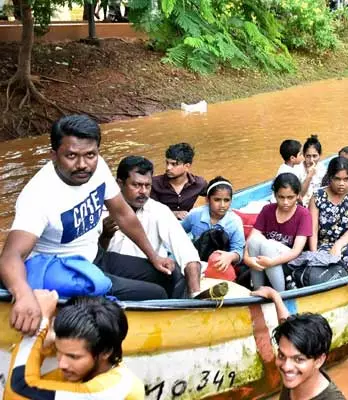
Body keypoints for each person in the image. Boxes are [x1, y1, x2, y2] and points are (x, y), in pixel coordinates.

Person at [0, 115, 175, 334]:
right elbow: (11, 255)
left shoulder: (97, 167)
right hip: (70, 272)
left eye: (90, 155)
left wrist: (154, 256)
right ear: (53, 155)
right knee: (156, 294)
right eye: (71, 156)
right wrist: (24, 295)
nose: (82, 165)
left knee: (170, 275)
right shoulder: (38, 196)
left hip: (96, 256)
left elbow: (123, 215)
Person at [6, 290, 144, 399]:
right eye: (58, 351)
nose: (62, 365)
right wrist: (43, 347)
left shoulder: (113, 389)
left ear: (106, 352)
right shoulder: (80, 373)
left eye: (73, 357)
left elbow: (18, 390)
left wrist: (40, 327)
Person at [98, 156, 202, 297]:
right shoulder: (99, 212)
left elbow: (187, 252)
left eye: (147, 186)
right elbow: (94, 258)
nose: (143, 191)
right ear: (119, 184)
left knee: (175, 274)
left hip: (150, 276)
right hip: (113, 278)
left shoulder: (159, 211)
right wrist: (106, 236)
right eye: (136, 185)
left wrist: (196, 294)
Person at [251, 287, 346, 399]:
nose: (286, 367)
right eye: (281, 355)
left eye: (299, 359)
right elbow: (286, 324)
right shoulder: (297, 375)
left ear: (319, 360)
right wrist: (275, 297)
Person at [244, 173, 312, 291]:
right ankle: (257, 289)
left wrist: (271, 262)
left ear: (297, 196)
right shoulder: (267, 210)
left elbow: (296, 251)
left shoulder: (303, 214)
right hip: (267, 256)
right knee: (254, 241)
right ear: (275, 195)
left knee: (268, 244)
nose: (285, 202)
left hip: (290, 260)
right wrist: (247, 259)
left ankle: (281, 293)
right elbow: (252, 238)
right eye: (281, 197)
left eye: (290, 197)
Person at [309, 157, 348, 274]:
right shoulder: (317, 196)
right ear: (330, 178)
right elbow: (313, 229)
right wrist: (314, 253)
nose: (342, 184)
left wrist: (338, 245)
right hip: (325, 243)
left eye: (346, 179)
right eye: (337, 179)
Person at [181, 177, 245, 279]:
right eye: (217, 200)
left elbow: (238, 251)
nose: (222, 205)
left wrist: (230, 256)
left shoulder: (235, 222)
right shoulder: (195, 215)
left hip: (221, 263)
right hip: (196, 260)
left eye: (227, 200)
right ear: (207, 199)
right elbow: (179, 233)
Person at [150, 142, 207, 220]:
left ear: (187, 166)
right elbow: (148, 210)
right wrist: (173, 213)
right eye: (167, 163)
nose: (168, 168)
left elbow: (217, 193)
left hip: (186, 225)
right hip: (161, 224)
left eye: (174, 164)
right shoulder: (154, 183)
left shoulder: (199, 183)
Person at [299, 135, 327, 207]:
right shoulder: (298, 170)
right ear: (304, 155)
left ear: (320, 155)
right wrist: (309, 176)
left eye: (315, 156)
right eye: (308, 156)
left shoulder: (322, 169)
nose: (311, 160)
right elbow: (300, 195)